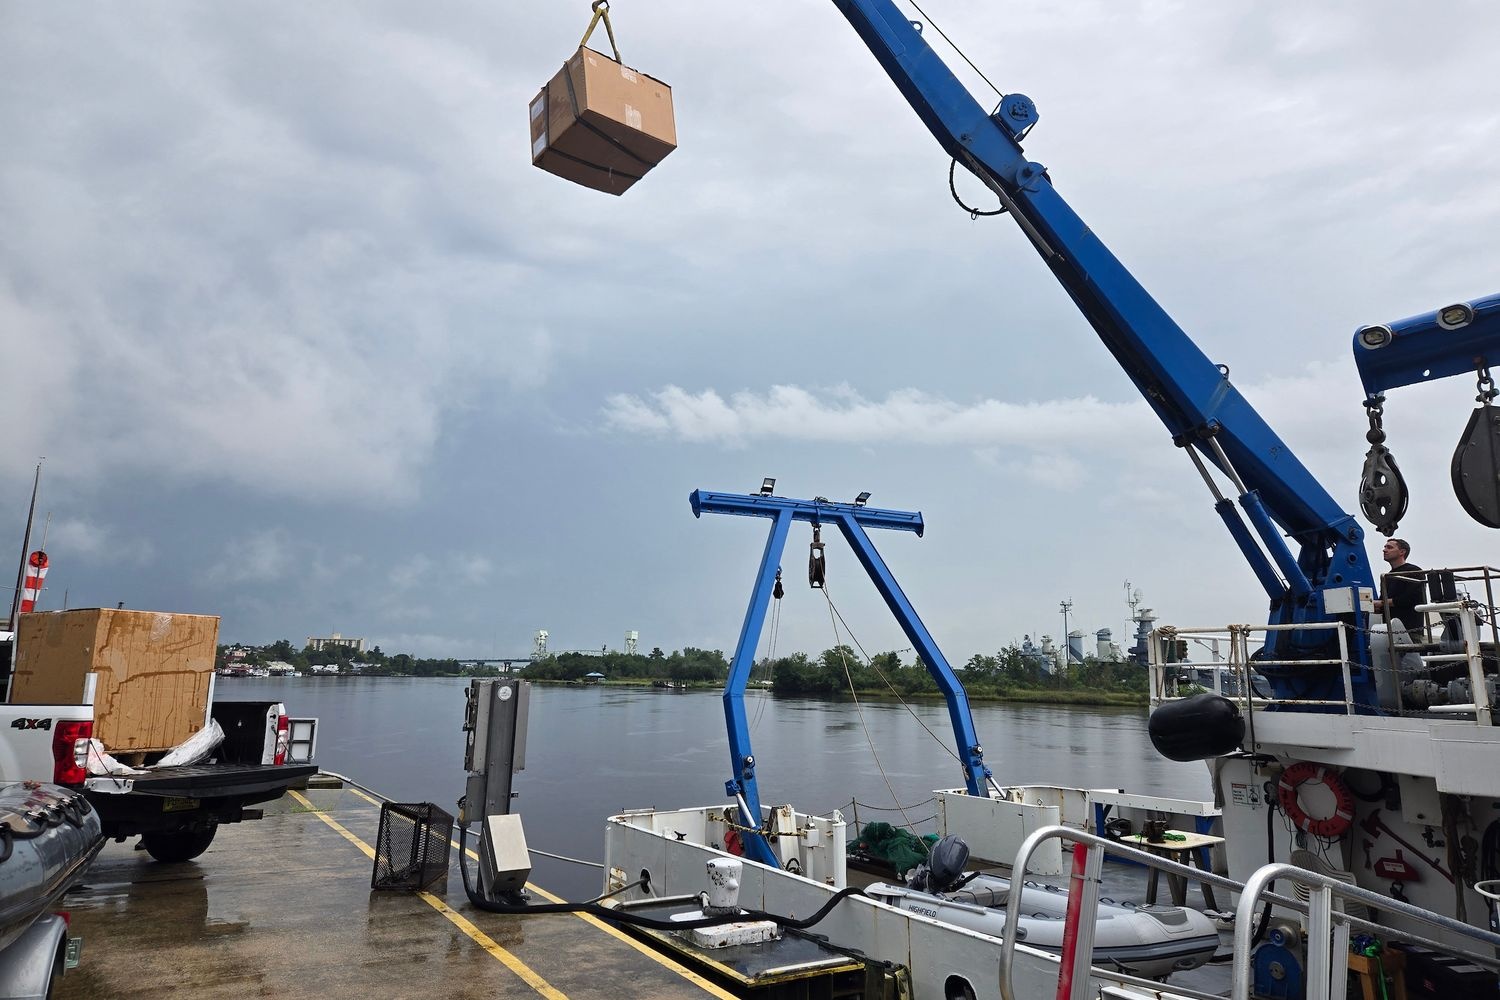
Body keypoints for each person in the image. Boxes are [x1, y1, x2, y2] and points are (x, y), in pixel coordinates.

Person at [1376, 538, 1425, 642]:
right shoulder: (1386, 577)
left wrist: (1380, 603)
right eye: (1385, 547)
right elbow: (1382, 601)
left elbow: (1411, 599)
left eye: (1389, 547)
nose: (1384, 550)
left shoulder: (1414, 571)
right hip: (1388, 631)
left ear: (1402, 552)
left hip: (1409, 631)